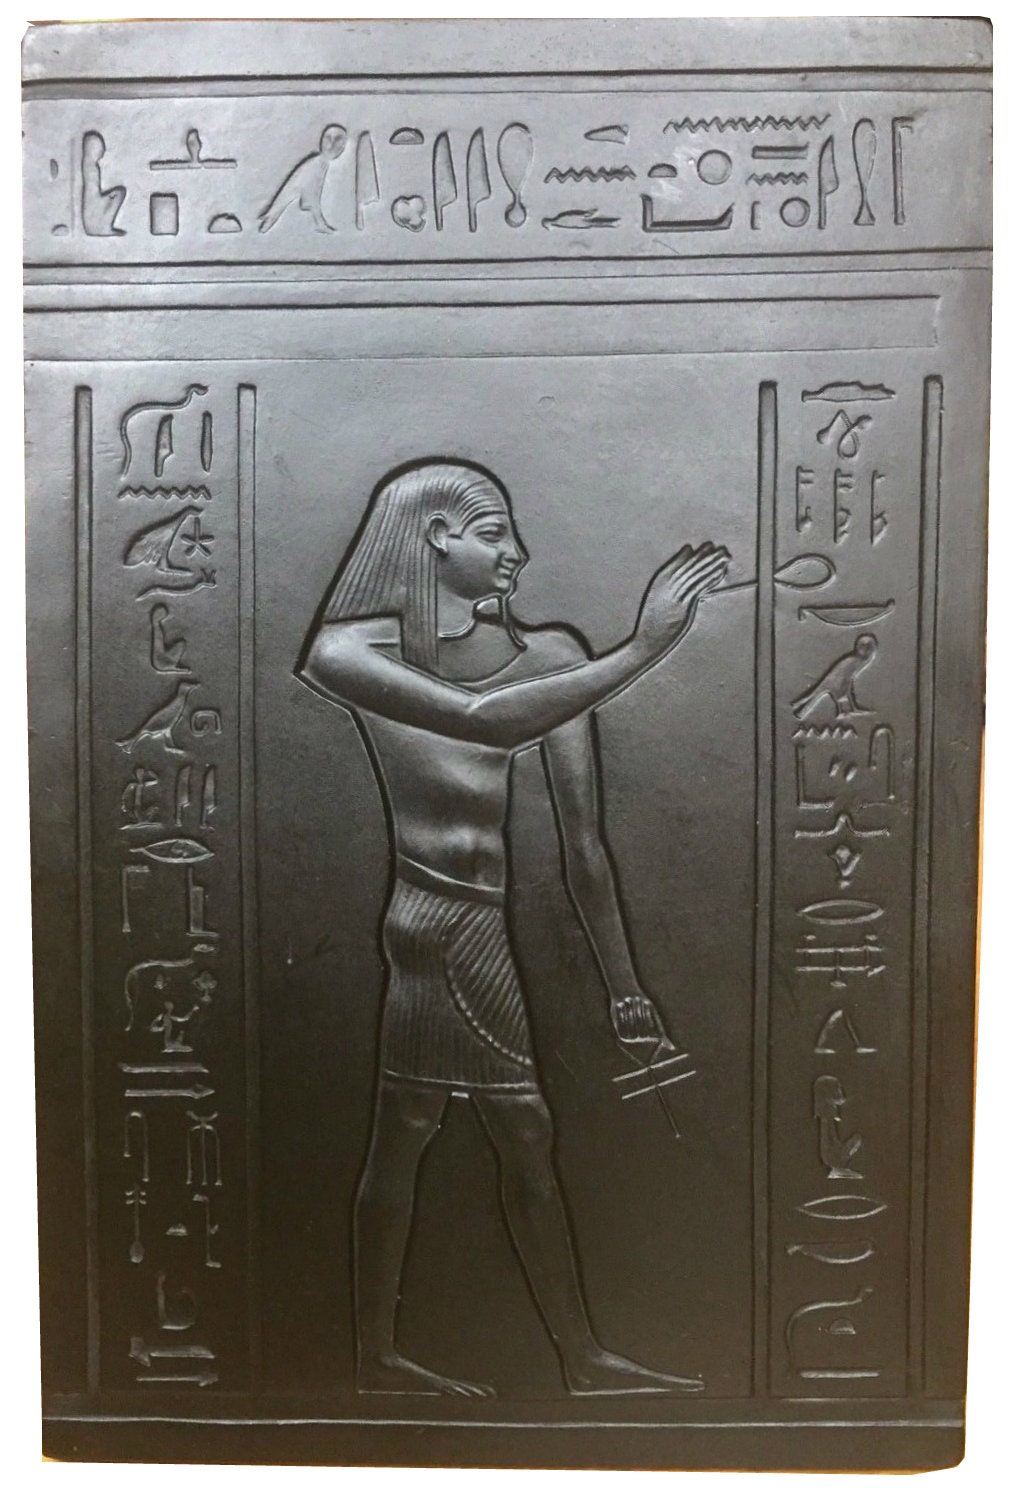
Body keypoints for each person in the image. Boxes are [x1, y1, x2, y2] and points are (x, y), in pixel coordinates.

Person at [297, 458, 728, 1397]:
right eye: (493, 531)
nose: (517, 553)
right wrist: (641, 649)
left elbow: (585, 846)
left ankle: (397, 1357)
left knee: (410, 1127)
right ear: (433, 536)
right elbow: (481, 722)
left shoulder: (550, 657)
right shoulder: (346, 650)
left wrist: (624, 985)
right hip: (435, 921)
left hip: (475, 920)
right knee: (509, 1127)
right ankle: (558, 1357)